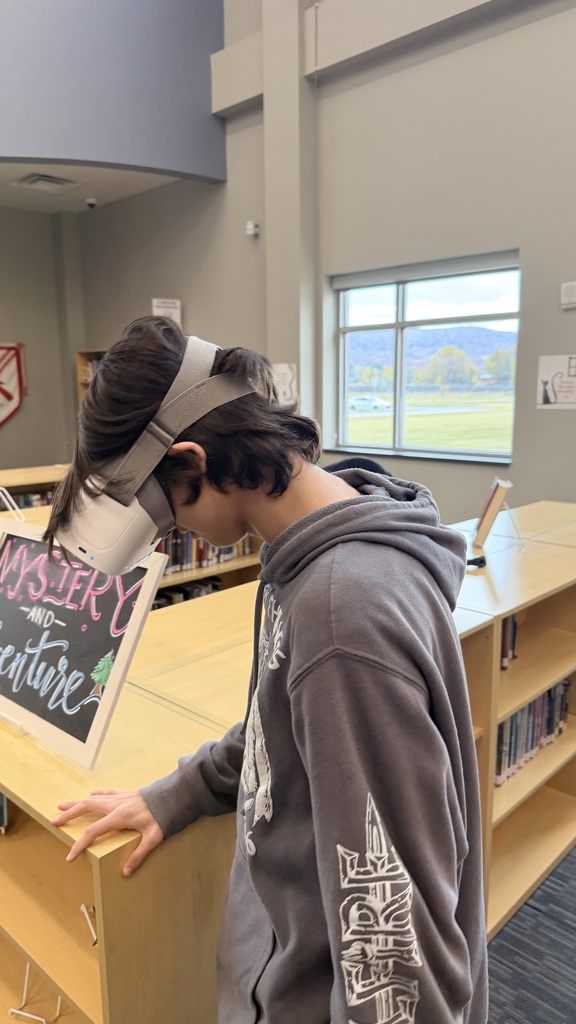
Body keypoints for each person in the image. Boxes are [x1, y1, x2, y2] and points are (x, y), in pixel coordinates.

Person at [46, 316, 488, 1024]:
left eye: (167, 516)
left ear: (192, 462)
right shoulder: (314, 545)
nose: (172, 535)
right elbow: (276, 729)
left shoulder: (342, 616)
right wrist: (178, 793)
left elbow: (397, 946)